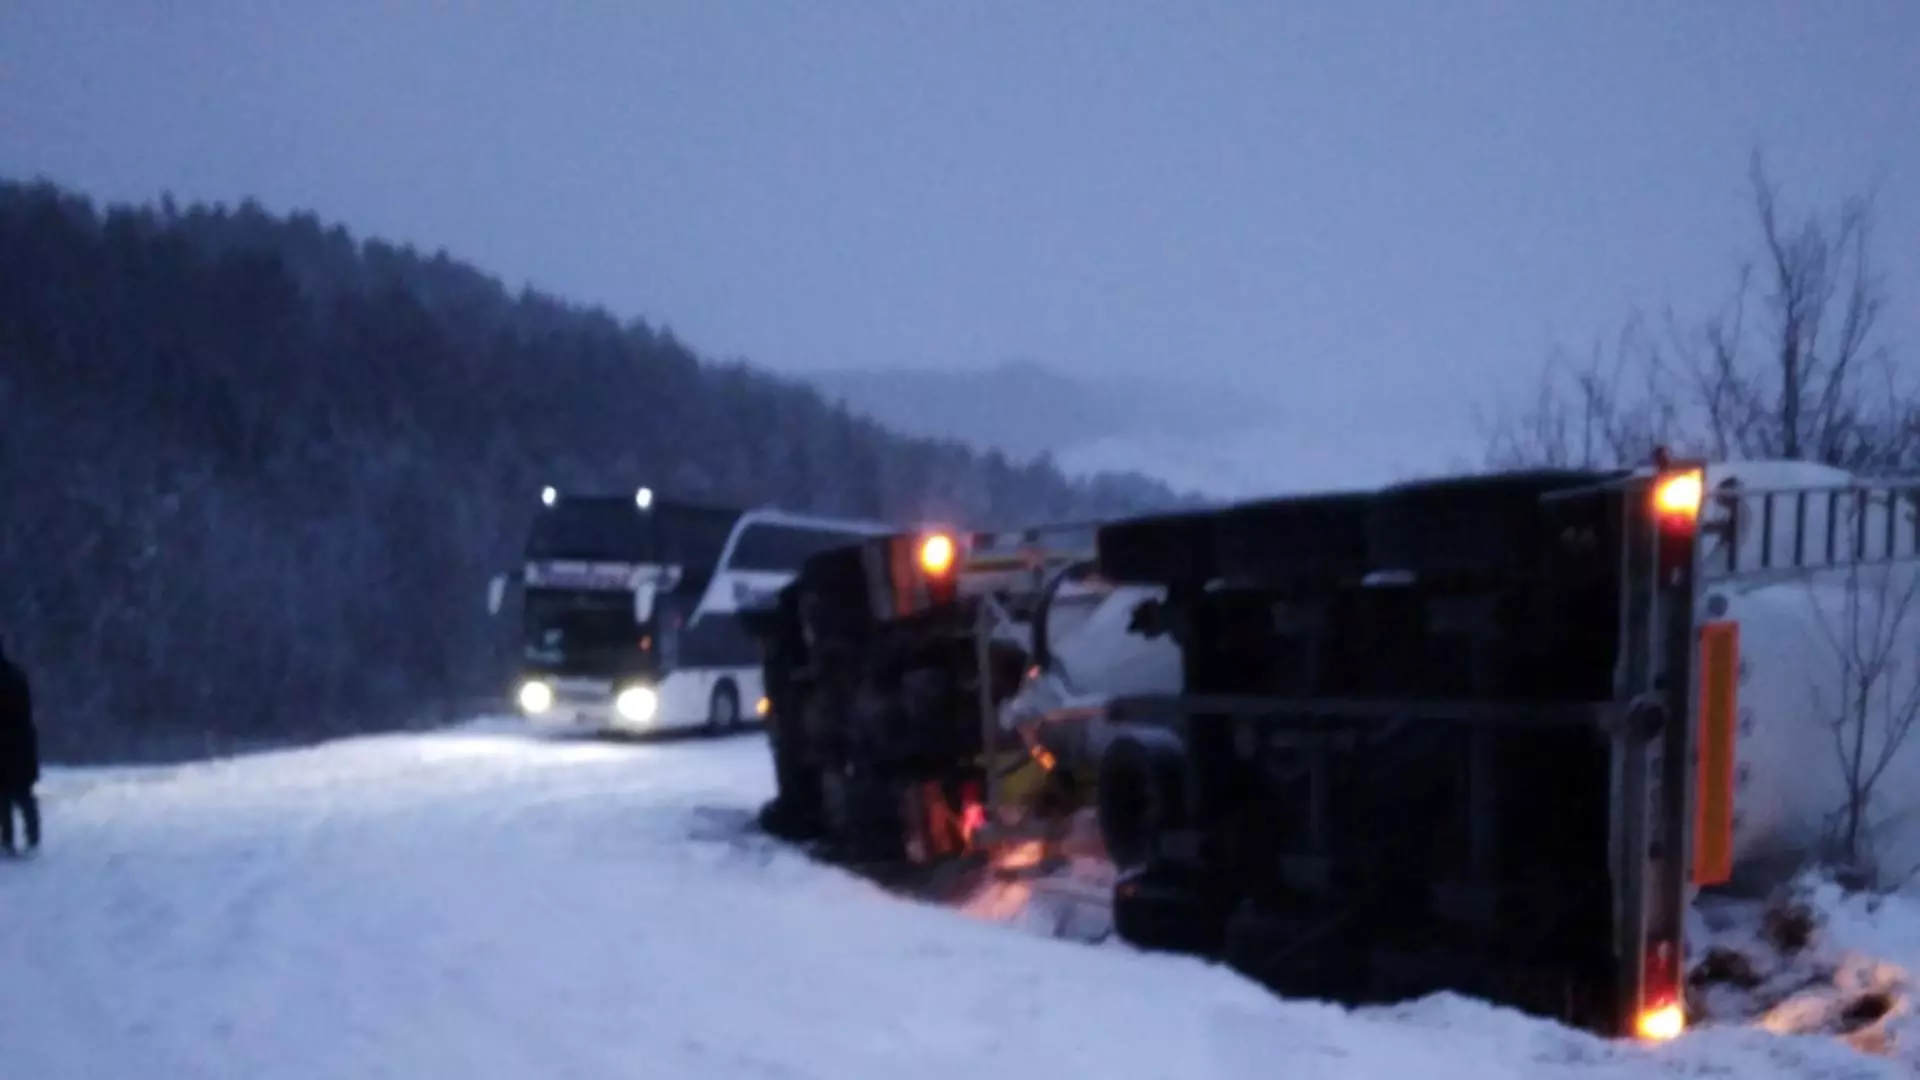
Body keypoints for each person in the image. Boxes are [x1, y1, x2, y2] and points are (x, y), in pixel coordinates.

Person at [0, 635, 39, 857]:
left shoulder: (13, 678)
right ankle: (32, 839)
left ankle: (8, 841)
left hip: (7, 743)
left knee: (4, 796)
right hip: (20, 742)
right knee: (22, 794)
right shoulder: (16, 676)